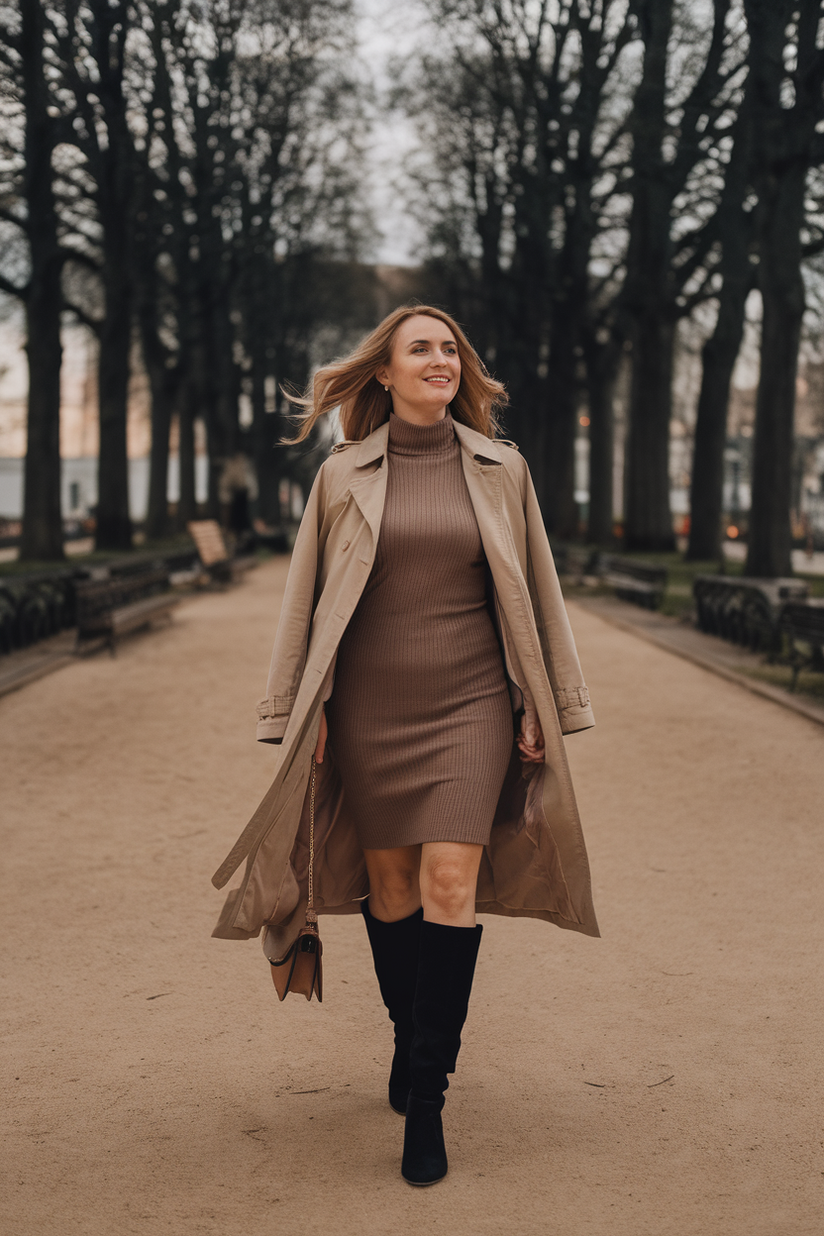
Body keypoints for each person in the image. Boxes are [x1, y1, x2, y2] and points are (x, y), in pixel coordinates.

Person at [211, 305, 599, 1187]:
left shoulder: (504, 470)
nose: (442, 359)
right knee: (390, 891)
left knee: (448, 885)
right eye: (420, 348)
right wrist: (294, 714)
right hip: (370, 710)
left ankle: (428, 1096)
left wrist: (545, 700)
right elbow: (304, 600)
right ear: (383, 374)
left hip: (472, 707)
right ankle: (405, 1034)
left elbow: (539, 590)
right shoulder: (343, 476)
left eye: (451, 347)